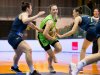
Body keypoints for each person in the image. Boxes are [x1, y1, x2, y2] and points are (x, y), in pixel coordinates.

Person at [8, 1, 45, 75]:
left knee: (19, 53)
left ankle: (14, 67)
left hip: (12, 37)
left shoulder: (25, 16)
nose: (31, 9)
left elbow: (31, 25)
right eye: (31, 8)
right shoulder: (24, 14)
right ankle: (33, 71)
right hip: (14, 36)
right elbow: (25, 21)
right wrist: (37, 15)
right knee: (28, 49)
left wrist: (39, 30)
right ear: (27, 8)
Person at [57, 6, 97, 72]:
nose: (72, 14)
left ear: (77, 13)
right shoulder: (87, 16)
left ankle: (80, 68)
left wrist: (61, 36)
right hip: (98, 30)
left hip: (91, 30)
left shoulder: (78, 18)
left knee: (83, 48)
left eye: (73, 12)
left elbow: (72, 31)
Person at [37, 4, 62, 73]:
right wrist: (52, 38)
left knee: (59, 48)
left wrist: (55, 28)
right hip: (42, 37)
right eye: (53, 10)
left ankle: (53, 55)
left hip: (49, 34)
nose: (55, 11)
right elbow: (44, 34)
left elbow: (52, 26)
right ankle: (50, 66)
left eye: (56, 9)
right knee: (50, 55)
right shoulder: (50, 21)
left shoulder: (55, 17)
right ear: (50, 11)